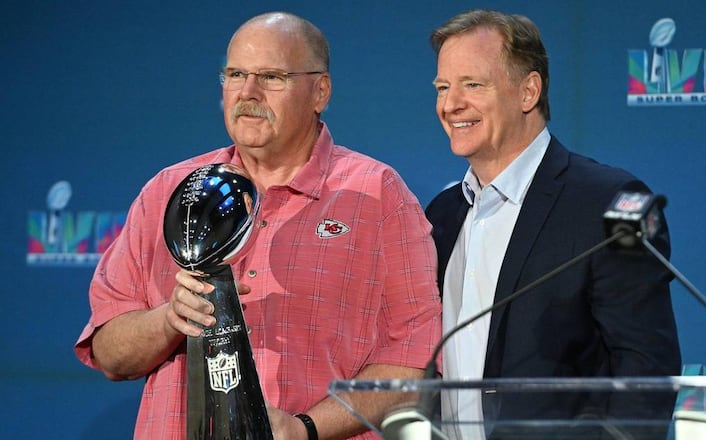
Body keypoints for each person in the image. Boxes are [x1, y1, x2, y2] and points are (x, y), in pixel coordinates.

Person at [74, 12, 442, 440]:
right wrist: (168, 320)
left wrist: (305, 428)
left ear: (320, 91)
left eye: (271, 77)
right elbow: (110, 352)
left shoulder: (378, 195)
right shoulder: (169, 192)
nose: (248, 93)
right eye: (235, 74)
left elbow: (414, 362)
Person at [425, 9, 681, 438]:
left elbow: (646, 374)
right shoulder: (443, 215)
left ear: (528, 91)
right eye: (442, 87)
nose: (451, 104)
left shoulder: (605, 203)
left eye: (472, 85)